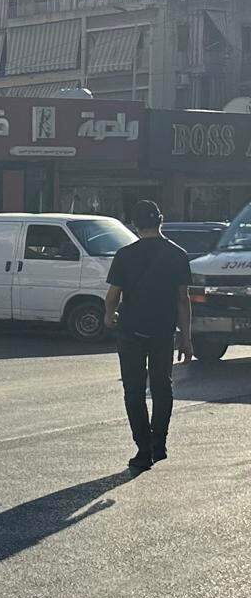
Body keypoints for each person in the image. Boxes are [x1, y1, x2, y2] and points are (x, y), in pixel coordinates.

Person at [104, 200, 192, 472]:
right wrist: (186, 337)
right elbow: (182, 299)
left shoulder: (124, 255)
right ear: (161, 220)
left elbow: (113, 295)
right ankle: (160, 443)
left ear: (134, 224)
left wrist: (109, 316)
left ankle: (143, 449)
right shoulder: (178, 254)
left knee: (133, 389)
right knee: (162, 386)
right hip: (163, 330)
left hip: (131, 330)